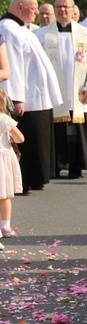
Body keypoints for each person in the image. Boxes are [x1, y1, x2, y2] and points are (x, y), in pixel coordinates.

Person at [0, 0, 62, 193]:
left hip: (37, 95)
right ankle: (24, 180)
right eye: (33, 7)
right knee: (27, 138)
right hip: (26, 97)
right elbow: (13, 66)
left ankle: (36, 178)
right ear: (20, 7)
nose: (37, 11)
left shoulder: (21, 28)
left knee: (39, 139)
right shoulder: (8, 29)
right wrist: (16, 98)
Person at [36, 0, 87, 179]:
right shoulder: (41, 35)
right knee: (55, 131)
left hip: (78, 92)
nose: (63, 10)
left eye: (66, 7)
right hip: (53, 92)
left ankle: (76, 167)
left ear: (74, 10)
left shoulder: (86, 34)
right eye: (59, 7)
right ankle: (54, 166)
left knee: (76, 130)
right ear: (54, 9)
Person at [0, 86, 24, 251]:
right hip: (2, 159)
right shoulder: (4, 119)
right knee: (4, 196)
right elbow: (20, 138)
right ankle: (6, 227)